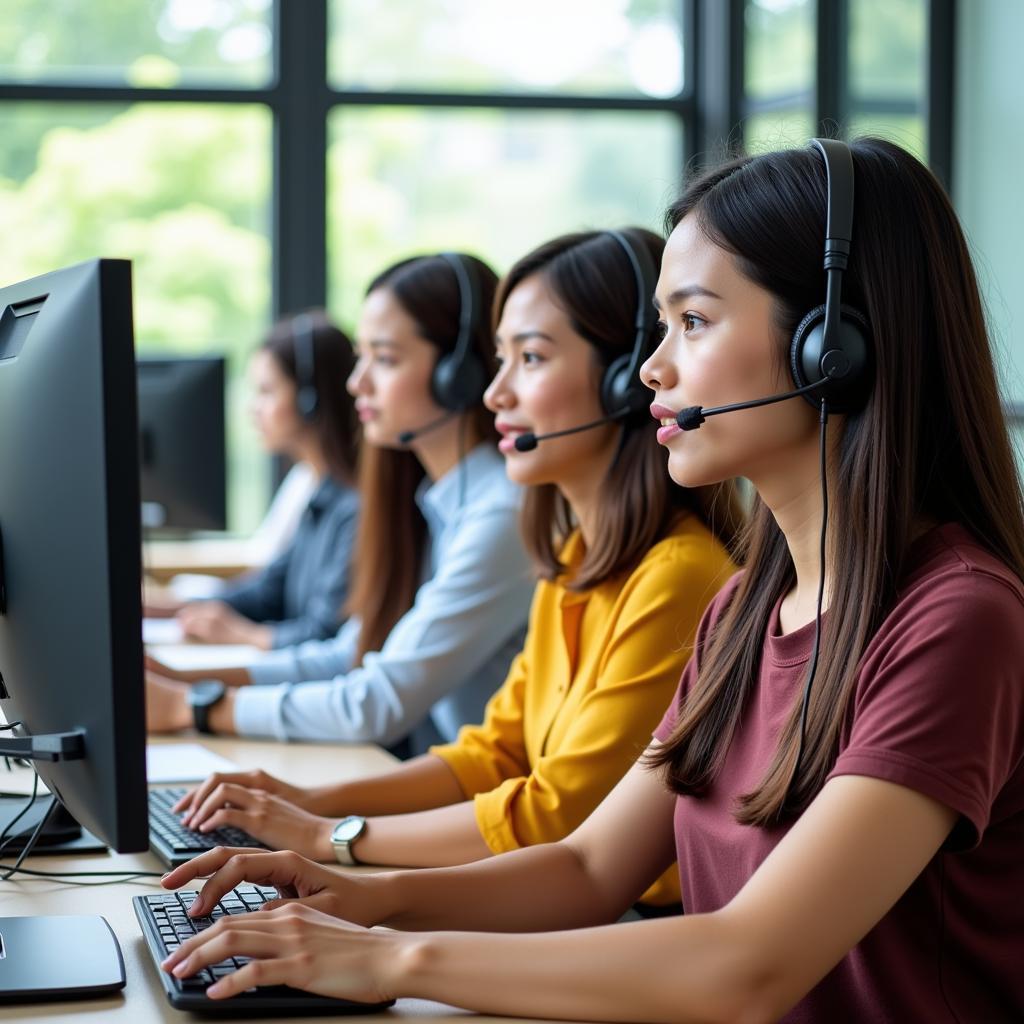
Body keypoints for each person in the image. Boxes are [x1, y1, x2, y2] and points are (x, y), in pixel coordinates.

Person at [160, 138, 1024, 1022]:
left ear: (830, 350)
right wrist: (352, 897)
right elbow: (587, 866)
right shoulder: (744, 608)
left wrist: (388, 958)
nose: (653, 369)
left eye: (692, 322)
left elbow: (748, 966)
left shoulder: (956, 620)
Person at [170, 231, 740, 914]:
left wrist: (332, 837)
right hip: (562, 899)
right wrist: (306, 805)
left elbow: (553, 813)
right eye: (499, 361)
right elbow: (492, 754)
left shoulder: (677, 575)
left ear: (623, 381)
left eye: (529, 358)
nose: (495, 394)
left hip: (626, 919)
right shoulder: (573, 560)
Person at [146, 253, 535, 755]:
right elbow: (347, 656)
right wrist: (181, 679)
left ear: (458, 374)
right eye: (361, 357)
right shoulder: (434, 502)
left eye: (386, 359)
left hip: (469, 796)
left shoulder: (499, 512)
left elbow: (376, 702)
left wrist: (193, 706)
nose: (357, 383)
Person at [147, 312, 361, 650]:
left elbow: (326, 633)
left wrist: (242, 635)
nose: (253, 409)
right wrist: (169, 608)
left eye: (266, 391)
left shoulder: (354, 505)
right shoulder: (320, 492)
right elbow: (268, 590)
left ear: (310, 399)